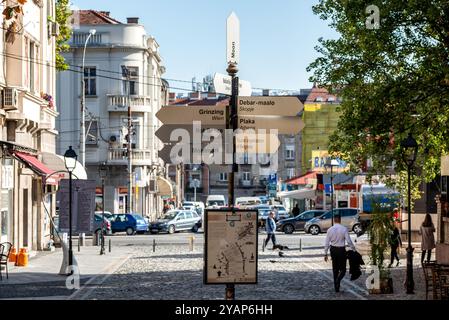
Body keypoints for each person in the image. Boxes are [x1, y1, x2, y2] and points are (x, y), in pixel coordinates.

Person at [324, 215, 356, 293]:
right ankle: (338, 280)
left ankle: (336, 288)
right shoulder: (344, 229)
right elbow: (348, 241)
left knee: (335, 269)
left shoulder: (329, 230)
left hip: (333, 250)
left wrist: (325, 253)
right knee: (343, 269)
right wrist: (353, 249)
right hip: (341, 250)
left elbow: (327, 243)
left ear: (334, 220)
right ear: (340, 220)